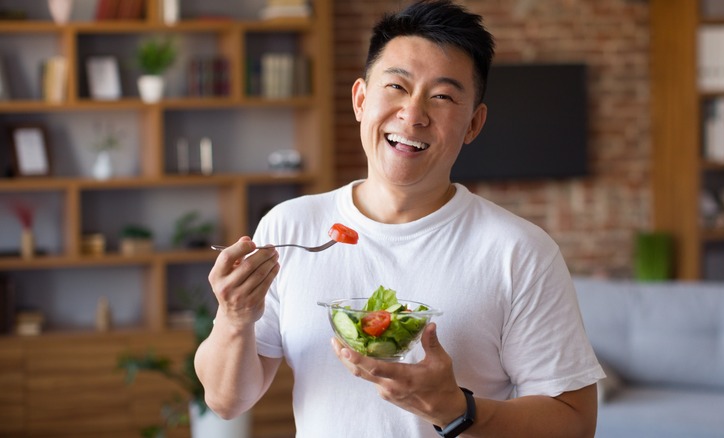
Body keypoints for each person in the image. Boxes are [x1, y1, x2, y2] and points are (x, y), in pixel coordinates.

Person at [194, 1, 605, 436]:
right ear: (360, 100)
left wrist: (456, 409)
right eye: (396, 86)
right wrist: (234, 317)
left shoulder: (519, 251)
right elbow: (225, 400)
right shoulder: (289, 227)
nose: (413, 114)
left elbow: (575, 423)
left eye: (442, 96)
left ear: (473, 125)